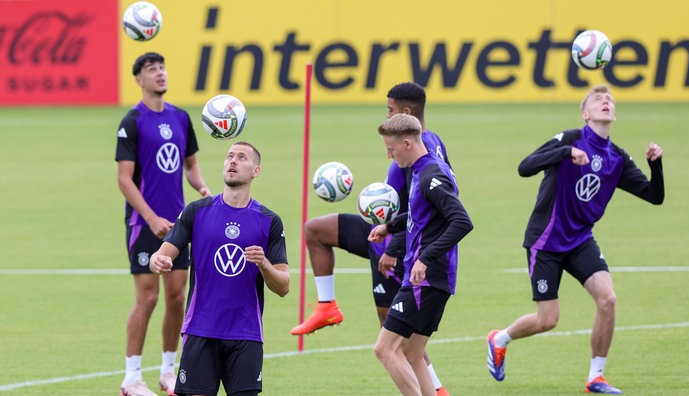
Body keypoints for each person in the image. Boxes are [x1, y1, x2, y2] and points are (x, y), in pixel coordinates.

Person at [486, 84, 664, 394]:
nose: (606, 102)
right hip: (545, 241)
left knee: (608, 300)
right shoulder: (571, 139)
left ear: (614, 113)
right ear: (586, 113)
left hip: (580, 239)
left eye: (609, 100)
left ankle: (596, 376)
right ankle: (499, 339)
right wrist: (566, 152)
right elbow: (524, 167)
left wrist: (655, 164)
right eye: (598, 100)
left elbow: (654, 196)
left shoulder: (617, 158)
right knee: (547, 320)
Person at [290, 82, 454, 395]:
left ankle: (436, 388)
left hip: (397, 248)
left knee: (393, 339)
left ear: (405, 114)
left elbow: (421, 206)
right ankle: (327, 306)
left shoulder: (417, 159)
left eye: (389, 109)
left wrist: (393, 247)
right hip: (385, 234)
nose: (386, 114)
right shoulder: (433, 143)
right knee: (316, 230)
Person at [149, 141, 290, 396]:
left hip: (245, 333)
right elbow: (161, 254)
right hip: (200, 330)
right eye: (229, 156)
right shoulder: (196, 211)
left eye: (242, 157)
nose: (233, 161)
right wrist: (158, 260)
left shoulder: (269, 221)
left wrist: (264, 263)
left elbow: (283, 286)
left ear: (256, 171)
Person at [116, 52, 211, 396]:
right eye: (151, 69)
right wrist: (151, 218)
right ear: (139, 79)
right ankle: (131, 378)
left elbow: (189, 164)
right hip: (144, 225)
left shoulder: (181, 118)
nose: (159, 73)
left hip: (178, 222)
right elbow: (125, 180)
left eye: (162, 67)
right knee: (148, 297)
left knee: (175, 297)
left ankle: (168, 372)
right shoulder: (132, 121)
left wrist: (200, 185)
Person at [369, 113, 473, 395]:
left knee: (385, 349)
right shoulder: (421, 170)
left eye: (391, 149)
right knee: (412, 353)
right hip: (433, 279)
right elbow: (421, 213)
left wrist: (425, 259)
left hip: (425, 279)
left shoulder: (431, 176)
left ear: (406, 143)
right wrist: (389, 227)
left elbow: (462, 221)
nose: (389, 155)